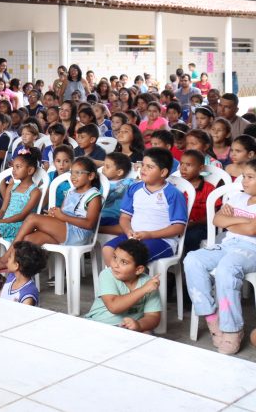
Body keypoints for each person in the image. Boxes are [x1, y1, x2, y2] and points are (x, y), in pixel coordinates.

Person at [184, 158, 256, 355]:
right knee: (193, 259)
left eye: (250, 177)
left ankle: (232, 329)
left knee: (227, 268)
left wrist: (232, 220)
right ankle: (212, 318)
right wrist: (243, 220)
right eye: (244, 177)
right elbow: (218, 219)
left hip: (251, 249)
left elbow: (251, 230)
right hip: (228, 244)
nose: (244, 181)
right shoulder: (238, 198)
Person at [0, 156, 103, 274]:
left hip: (79, 234)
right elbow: (62, 214)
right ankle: (18, 274)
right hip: (64, 230)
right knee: (28, 239)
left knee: (32, 218)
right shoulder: (71, 192)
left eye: (78, 173)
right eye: (72, 172)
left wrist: (62, 217)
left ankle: (6, 258)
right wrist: (54, 215)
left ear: (91, 176)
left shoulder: (93, 196)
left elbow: (89, 224)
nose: (73, 176)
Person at [101, 148, 188, 267]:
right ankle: (119, 284)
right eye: (143, 165)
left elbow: (178, 228)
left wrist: (149, 235)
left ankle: (129, 284)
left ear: (163, 172)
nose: (143, 169)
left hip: (161, 241)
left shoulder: (173, 194)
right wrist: (128, 232)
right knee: (108, 249)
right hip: (133, 238)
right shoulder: (134, 189)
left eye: (150, 167)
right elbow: (124, 218)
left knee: (128, 256)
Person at [85, 239, 161, 332]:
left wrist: (139, 325)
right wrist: (143, 290)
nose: (115, 265)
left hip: (128, 330)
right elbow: (114, 307)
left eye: (124, 262)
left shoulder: (149, 283)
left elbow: (153, 317)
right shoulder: (107, 274)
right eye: (114, 257)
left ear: (138, 270)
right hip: (98, 325)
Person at [0, 241, 47, 306]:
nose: (7, 259)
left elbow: (24, 315)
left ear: (16, 265)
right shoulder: (11, 277)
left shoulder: (28, 294)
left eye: (10, 257)